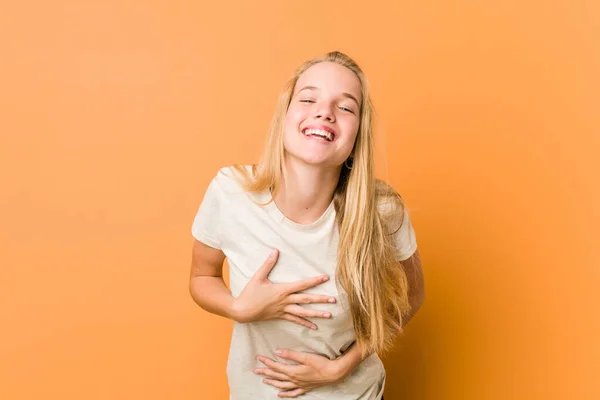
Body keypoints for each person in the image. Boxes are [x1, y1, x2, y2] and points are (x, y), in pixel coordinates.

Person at [189, 51, 424, 399]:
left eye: (345, 107)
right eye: (309, 98)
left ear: (358, 133)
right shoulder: (230, 192)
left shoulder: (382, 210)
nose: (324, 112)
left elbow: (412, 296)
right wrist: (239, 308)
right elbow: (201, 277)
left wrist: (339, 368)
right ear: (284, 116)